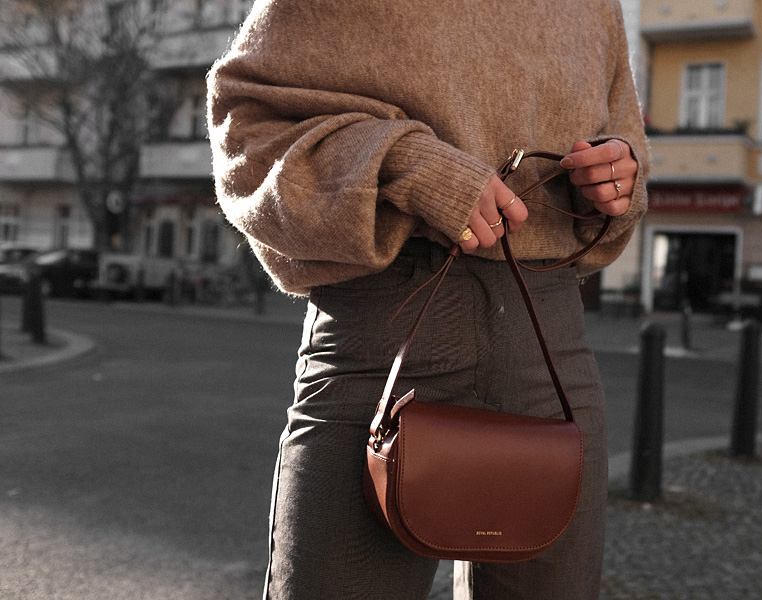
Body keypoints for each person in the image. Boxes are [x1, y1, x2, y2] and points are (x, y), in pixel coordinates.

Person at [207, 1, 648, 598]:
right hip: (383, 336)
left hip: (549, 345)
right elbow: (246, 134)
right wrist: (408, 166)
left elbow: (626, 146)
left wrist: (616, 175)